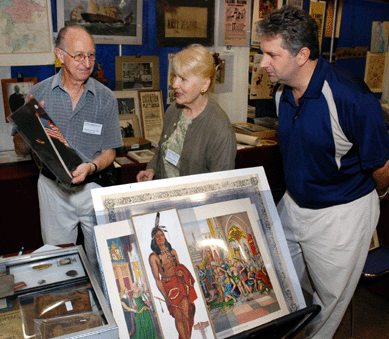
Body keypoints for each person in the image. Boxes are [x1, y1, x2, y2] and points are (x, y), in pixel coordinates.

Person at [257, 5, 389, 338]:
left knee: (327, 304)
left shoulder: (352, 98)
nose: (262, 63)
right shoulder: (280, 94)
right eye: (262, 53)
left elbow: (382, 165)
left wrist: (379, 196)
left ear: (302, 55)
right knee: (271, 279)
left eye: (271, 55)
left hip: (340, 215)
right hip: (295, 205)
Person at [13, 25, 123, 282]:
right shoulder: (39, 93)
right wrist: (28, 125)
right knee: (58, 261)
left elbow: (110, 152)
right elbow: (20, 149)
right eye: (79, 56)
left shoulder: (106, 98)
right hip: (53, 191)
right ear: (60, 55)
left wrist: (92, 167)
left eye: (92, 56)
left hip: (93, 189)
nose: (87, 63)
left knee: (101, 261)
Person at [136, 44, 236, 182]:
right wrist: (151, 169)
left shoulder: (219, 128)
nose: (174, 84)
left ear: (205, 84)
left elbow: (221, 185)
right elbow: (162, 149)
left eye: (183, 79)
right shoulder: (174, 110)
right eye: (175, 77)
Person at [149, 212, 197, 339]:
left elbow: (179, 268)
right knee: (178, 316)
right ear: (154, 240)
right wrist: (166, 297)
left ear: (165, 237)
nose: (160, 238)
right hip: (168, 287)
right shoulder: (153, 257)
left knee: (186, 314)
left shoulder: (173, 251)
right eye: (157, 236)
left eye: (161, 235)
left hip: (179, 283)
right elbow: (157, 279)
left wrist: (182, 274)